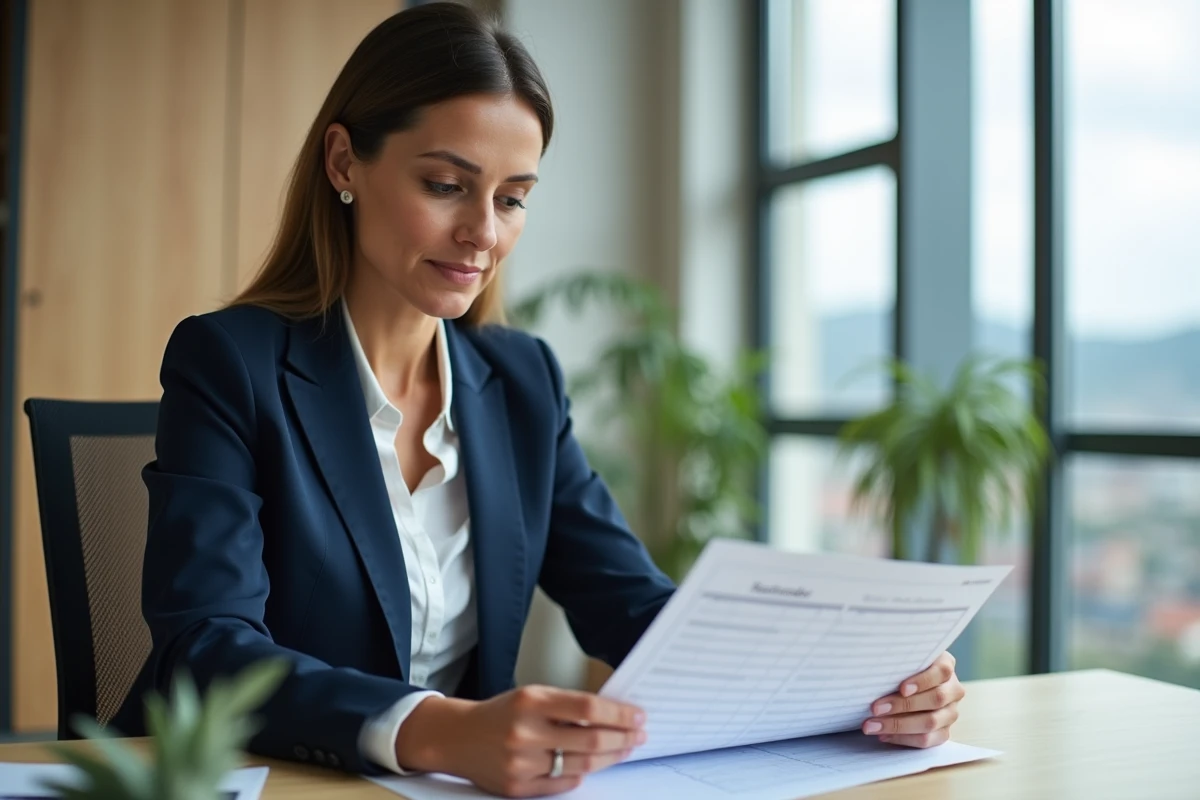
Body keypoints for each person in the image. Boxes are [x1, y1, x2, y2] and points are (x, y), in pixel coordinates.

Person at [116, 3, 965, 797]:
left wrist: (859, 687)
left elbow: (631, 605)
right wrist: (440, 731)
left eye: (513, 198)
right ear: (345, 162)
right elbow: (209, 651)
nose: (485, 233)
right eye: (447, 185)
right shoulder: (231, 361)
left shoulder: (519, 381)